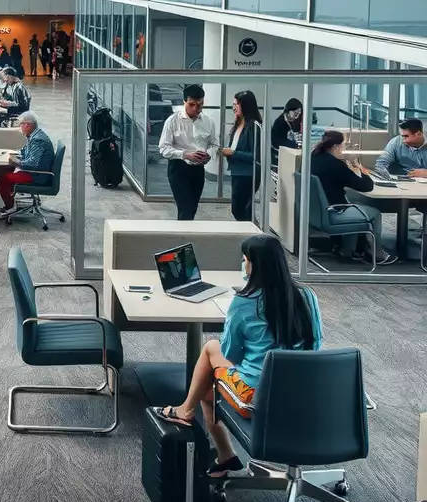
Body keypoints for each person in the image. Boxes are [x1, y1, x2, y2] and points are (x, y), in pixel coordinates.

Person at [157, 235, 323, 476]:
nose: (243, 265)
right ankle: (209, 437)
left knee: (208, 369)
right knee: (212, 357)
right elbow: (315, 344)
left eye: (244, 260)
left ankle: (199, 426)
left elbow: (231, 355)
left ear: (253, 264)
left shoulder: (243, 303)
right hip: (307, 394)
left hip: (260, 397)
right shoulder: (307, 296)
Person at [313, 130, 397, 265]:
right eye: (344, 145)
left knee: (355, 202)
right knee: (374, 213)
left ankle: (347, 249)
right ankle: (376, 253)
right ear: (336, 146)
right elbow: (366, 186)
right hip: (333, 212)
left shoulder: (313, 158)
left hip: (314, 213)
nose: (344, 149)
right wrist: (361, 171)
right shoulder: (336, 165)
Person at [158, 83, 220, 220]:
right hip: (179, 168)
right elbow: (164, 148)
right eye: (192, 104)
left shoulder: (208, 121)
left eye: (200, 104)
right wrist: (185, 154)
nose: (196, 108)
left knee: (192, 207)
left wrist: (209, 154)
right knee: (184, 207)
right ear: (184, 102)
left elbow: (215, 143)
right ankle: (183, 238)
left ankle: (186, 235)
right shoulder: (173, 121)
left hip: (198, 169)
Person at [0, 111, 55, 213]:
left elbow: (33, 163)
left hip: (37, 175)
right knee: (6, 169)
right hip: (35, 172)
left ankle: (10, 207)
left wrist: (17, 162)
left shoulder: (38, 139)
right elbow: (26, 152)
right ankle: (11, 200)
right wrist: (16, 155)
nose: (20, 127)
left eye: (21, 124)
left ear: (28, 125)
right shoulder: (34, 135)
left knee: (4, 179)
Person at [221, 90, 262, 222]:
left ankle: (253, 235)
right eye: (233, 104)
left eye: (237, 104)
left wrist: (233, 153)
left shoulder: (254, 127)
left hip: (248, 174)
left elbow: (257, 155)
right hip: (237, 172)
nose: (234, 107)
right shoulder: (239, 123)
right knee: (243, 209)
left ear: (246, 105)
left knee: (239, 209)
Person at [270, 97, 303, 169]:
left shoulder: (292, 121)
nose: (297, 117)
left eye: (299, 114)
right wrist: (295, 144)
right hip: (278, 153)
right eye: (295, 113)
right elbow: (279, 142)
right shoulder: (280, 122)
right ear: (288, 110)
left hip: (287, 150)